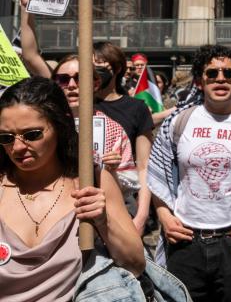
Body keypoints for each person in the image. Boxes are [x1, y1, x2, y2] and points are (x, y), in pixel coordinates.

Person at [147, 44, 231, 302]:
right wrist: (164, 215)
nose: (220, 78)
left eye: (228, 73)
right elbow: (157, 174)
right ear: (199, 80)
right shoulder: (179, 121)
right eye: (212, 73)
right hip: (185, 243)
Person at [0, 77, 145, 302]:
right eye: (6, 138)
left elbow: (135, 263)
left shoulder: (93, 180)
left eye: (32, 135)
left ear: (59, 127)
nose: (18, 147)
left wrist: (103, 222)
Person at [52, 55, 139, 197]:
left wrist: (112, 171)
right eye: (63, 79)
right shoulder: (44, 126)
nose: (72, 85)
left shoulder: (114, 130)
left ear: (96, 83)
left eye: (80, 78)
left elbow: (127, 190)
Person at [93, 42, 155, 235]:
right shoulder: (78, 103)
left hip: (122, 200)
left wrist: (141, 215)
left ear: (117, 68)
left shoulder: (137, 109)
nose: (93, 71)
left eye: (100, 65)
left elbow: (144, 166)